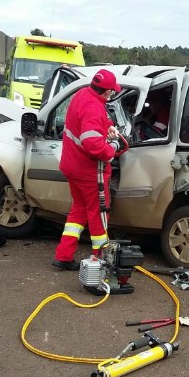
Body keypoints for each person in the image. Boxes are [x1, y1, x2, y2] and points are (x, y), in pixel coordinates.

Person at [52, 69, 122, 270]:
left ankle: (63, 256)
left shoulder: (82, 94)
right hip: (89, 172)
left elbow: (88, 123)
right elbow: (91, 142)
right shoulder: (94, 107)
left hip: (72, 166)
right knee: (99, 214)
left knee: (79, 211)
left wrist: (108, 125)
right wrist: (111, 150)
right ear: (107, 91)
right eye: (111, 92)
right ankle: (100, 260)